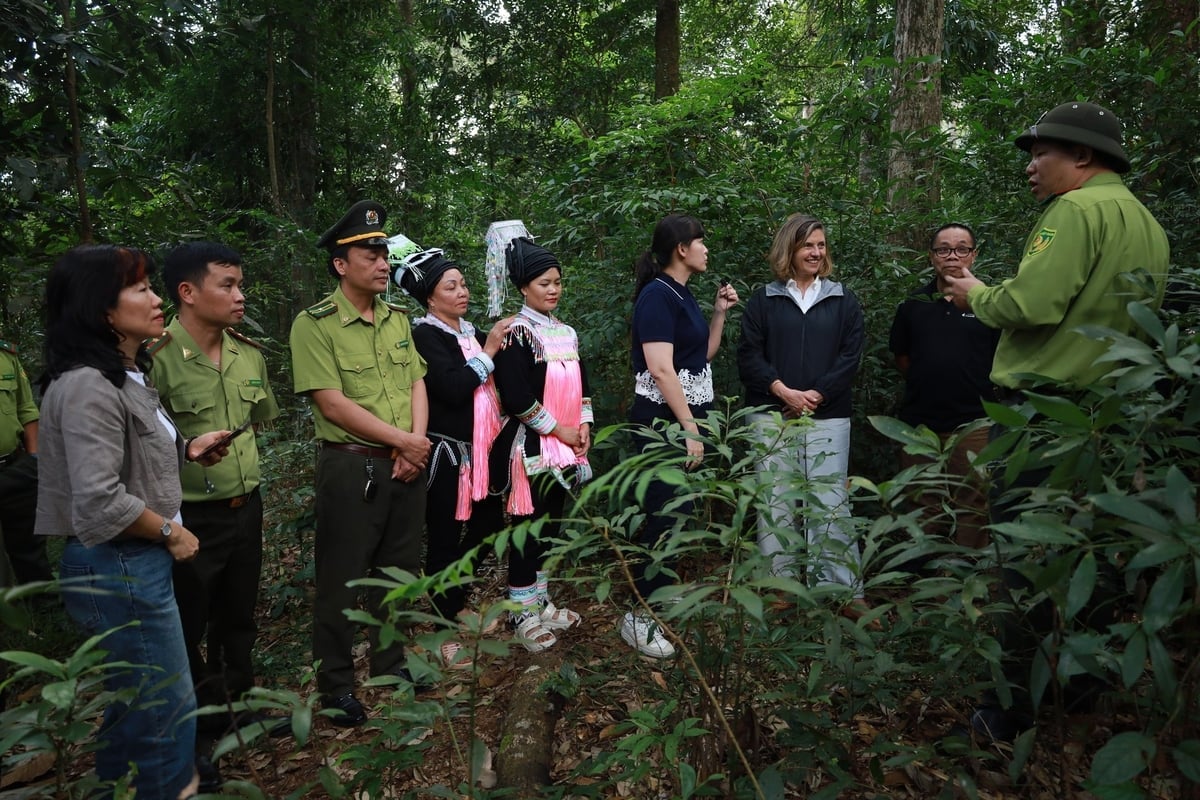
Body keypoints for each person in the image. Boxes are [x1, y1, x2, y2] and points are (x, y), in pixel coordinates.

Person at [942, 101, 1170, 740]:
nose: (1031, 167)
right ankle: (1083, 692)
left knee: (1024, 555)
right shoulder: (1146, 222)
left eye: (1041, 153)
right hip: (1108, 420)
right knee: (1088, 554)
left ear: (1084, 156)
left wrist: (977, 295)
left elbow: (1033, 304)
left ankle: (1009, 711)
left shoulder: (1074, 211)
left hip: (1043, 417)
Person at [35, 244, 233, 800]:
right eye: (140, 289)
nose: (155, 299)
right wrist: (171, 530)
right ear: (102, 308)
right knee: (164, 711)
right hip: (120, 564)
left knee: (137, 708)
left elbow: (123, 458)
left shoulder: (122, 375)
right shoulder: (87, 385)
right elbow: (99, 499)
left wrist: (186, 448)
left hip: (131, 563)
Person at [289, 200, 432, 727]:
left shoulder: (397, 319)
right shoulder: (315, 325)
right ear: (340, 264)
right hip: (354, 467)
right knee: (343, 578)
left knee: (399, 571)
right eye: (369, 255)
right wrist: (405, 442)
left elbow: (416, 381)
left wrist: (415, 443)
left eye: (383, 254)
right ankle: (335, 685)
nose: (382, 263)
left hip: (406, 463)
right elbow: (331, 403)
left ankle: (391, 666)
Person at [150, 241, 280, 788]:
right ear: (187, 292)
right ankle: (197, 735)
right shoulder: (153, 359)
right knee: (185, 625)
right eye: (227, 285)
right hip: (187, 518)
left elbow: (261, 421)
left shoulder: (248, 354)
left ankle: (237, 712)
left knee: (237, 617)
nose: (239, 295)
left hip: (245, 506)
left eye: (240, 284)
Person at [736, 213, 869, 619]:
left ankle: (844, 592)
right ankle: (781, 588)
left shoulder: (843, 299)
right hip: (771, 413)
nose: (815, 252)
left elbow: (851, 356)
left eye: (821, 245)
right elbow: (749, 355)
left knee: (830, 500)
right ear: (789, 250)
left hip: (828, 414)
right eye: (807, 245)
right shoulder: (764, 299)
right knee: (776, 499)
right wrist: (782, 391)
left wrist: (818, 394)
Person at [621, 214, 739, 657]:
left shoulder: (681, 293)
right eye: (700, 241)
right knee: (661, 514)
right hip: (662, 425)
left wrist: (719, 314)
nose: (706, 248)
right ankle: (639, 615)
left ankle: (660, 593)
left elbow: (699, 357)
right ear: (681, 249)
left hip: (684, 420)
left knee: (678, 511)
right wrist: (689, 428)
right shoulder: (656, 295)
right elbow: (660, 368)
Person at [398, 248, 511, 668]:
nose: (462, 291)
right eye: (451, 287)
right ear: (430, 298)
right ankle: (443, 628)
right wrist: (490, 350)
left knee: (489, 525)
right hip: (446, 455)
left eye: (463, 284)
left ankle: (456, 599)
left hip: (482, 452)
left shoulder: (470, 332)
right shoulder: (426, 337)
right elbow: (452, 389)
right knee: (444, 537)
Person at [489, 236, 589, 652]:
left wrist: (584, 425)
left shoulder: (566, 332)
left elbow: (583, 384)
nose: (553, 290)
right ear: (524, 287)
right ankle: (521, 611)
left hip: (566, 445)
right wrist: (558, 430)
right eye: (544, 283)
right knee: (527, 528)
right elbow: (515, 395)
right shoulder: (516, 333)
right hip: (530, 445)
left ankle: (541, 601)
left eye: (558, 282)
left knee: (551, 526)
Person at [888, 223, 999, 549]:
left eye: (961, 248)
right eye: (944, 249)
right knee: (922, 504)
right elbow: (902, 358)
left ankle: (970, 570)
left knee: (974, 504)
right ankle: (926, 571)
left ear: (974, 255)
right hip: (920, 425)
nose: (952, 256)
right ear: (931, 255)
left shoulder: (991, 303)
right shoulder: (914, 305)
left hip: (975, 424)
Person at [1, 340, 50, 587]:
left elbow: (26, 408)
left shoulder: (5, 355)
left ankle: (43, 602)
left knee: (31, 551)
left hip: (15, 468)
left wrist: (34, 458)